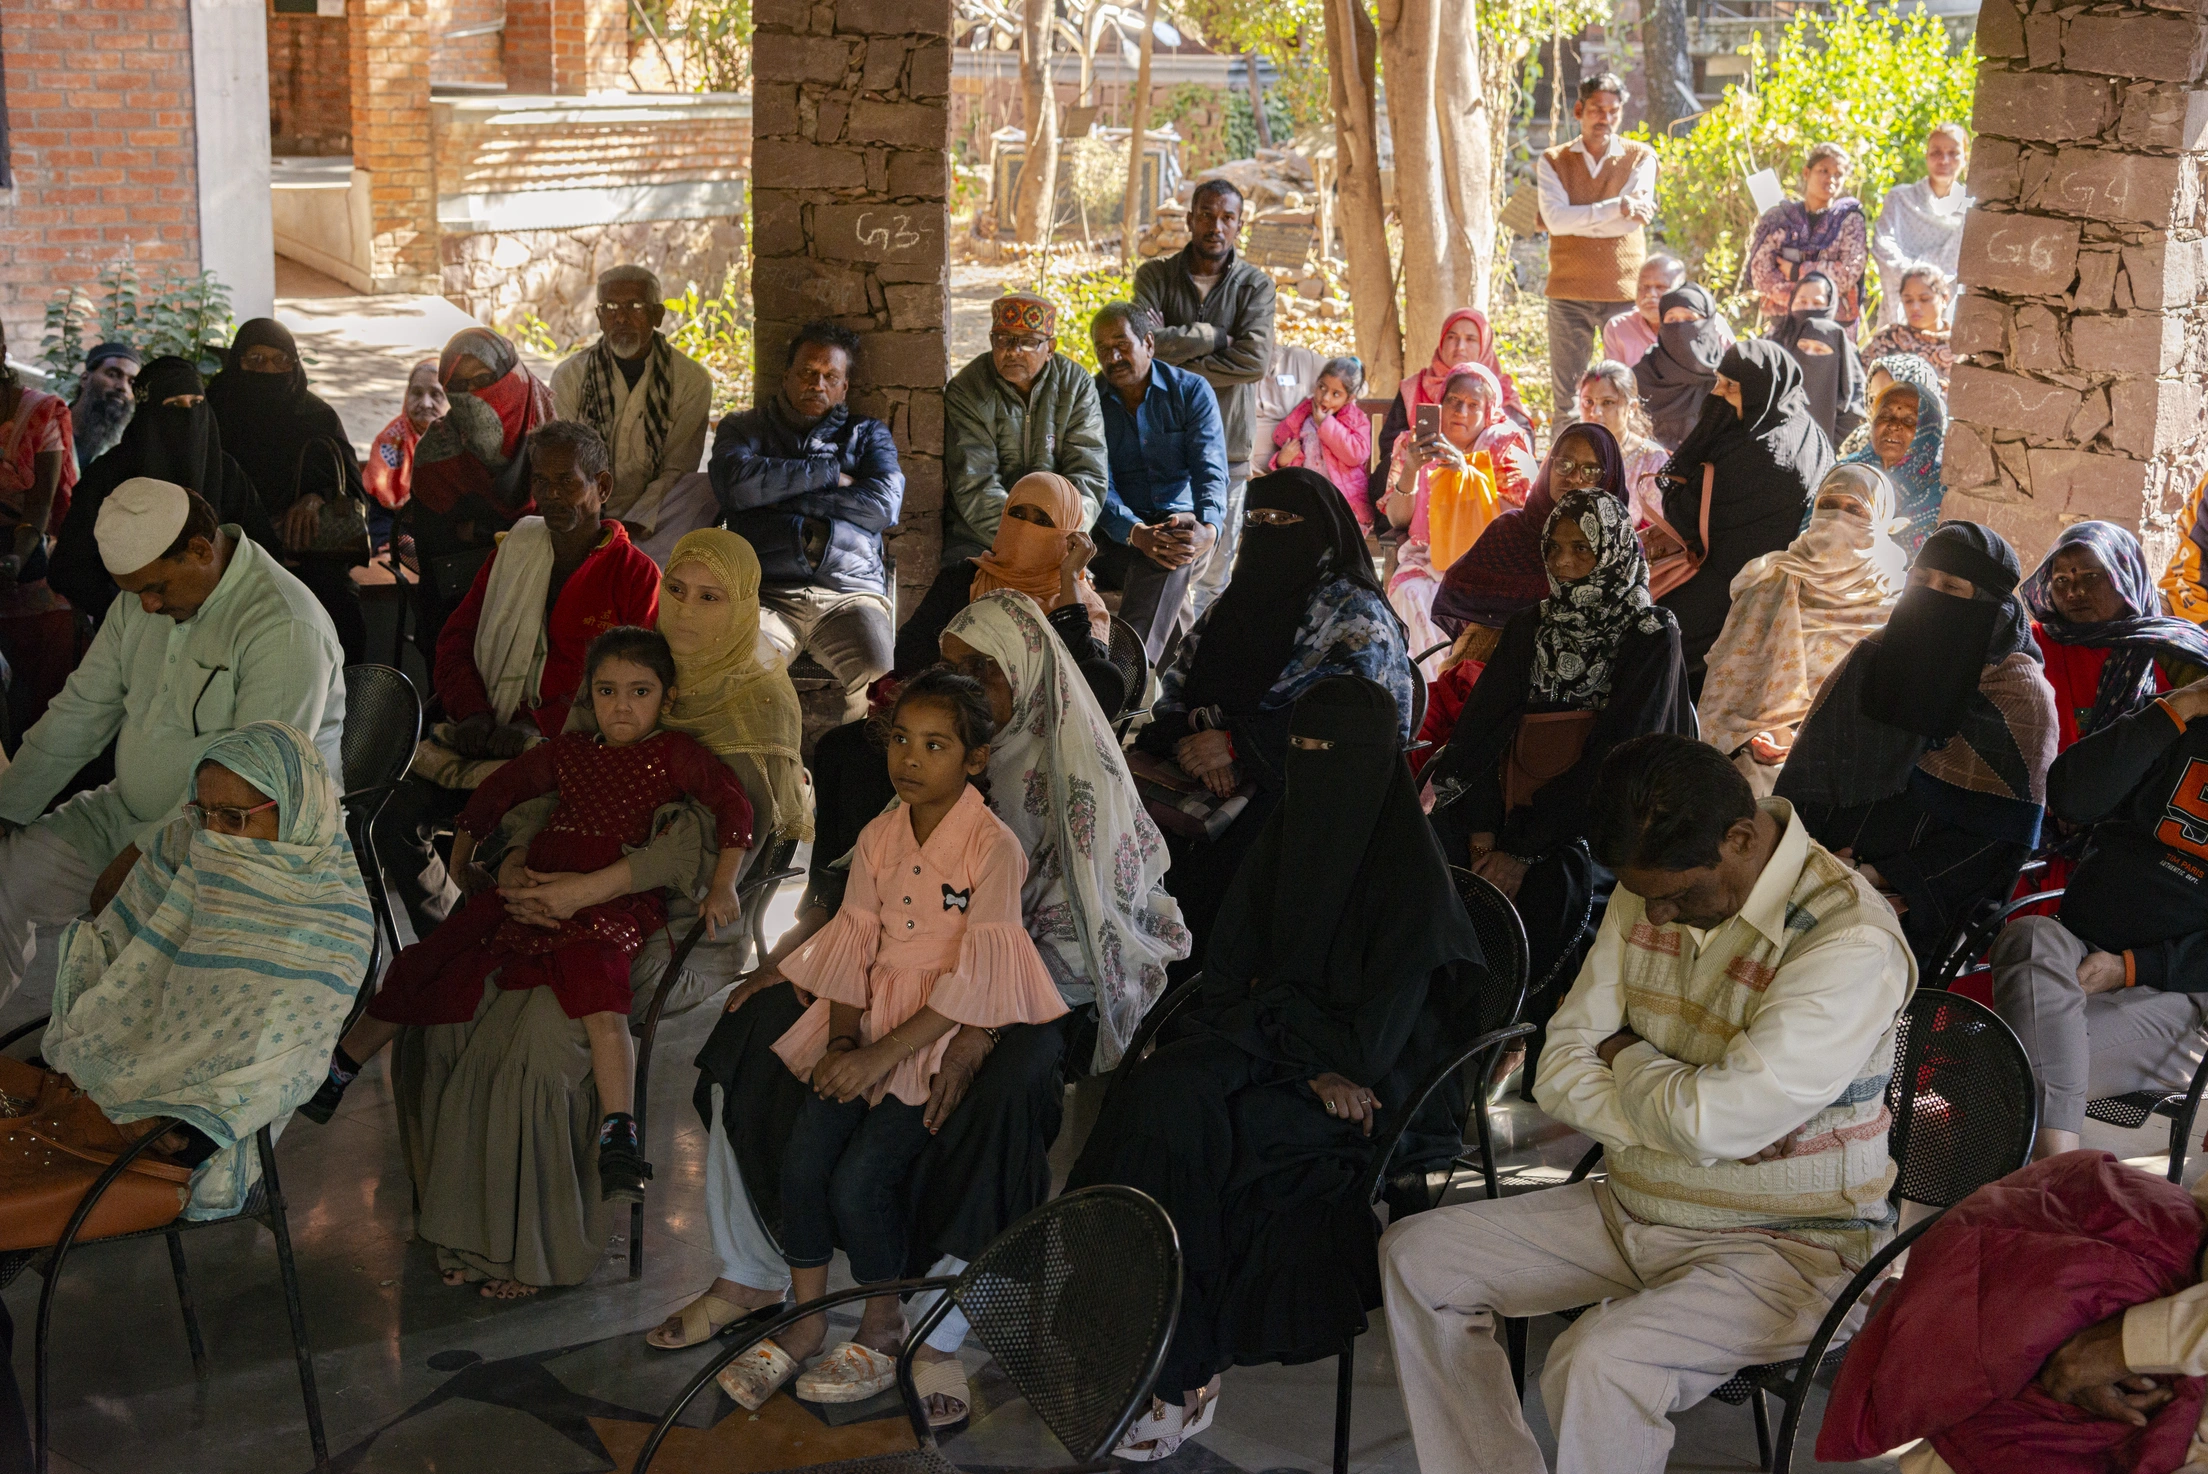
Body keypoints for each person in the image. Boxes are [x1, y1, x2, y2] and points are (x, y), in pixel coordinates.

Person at [657, 593, 1188, 1416]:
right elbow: (866, 910)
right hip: (891, 986)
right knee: (750, 1027)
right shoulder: (914, 780)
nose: (961, 682)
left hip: (1042, 993)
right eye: (951, 664)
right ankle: (755, 1274)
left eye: (986, 673)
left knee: (1006, 1089)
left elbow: (1081, 943)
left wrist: (973, 1029)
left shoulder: (1064, 775)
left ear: (1028, 679)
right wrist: (808, 975)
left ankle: (935, 1326)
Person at [1381, 732, 1914, 1474]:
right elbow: (1562, 1070)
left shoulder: (1846, 939)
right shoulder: (1648, 884)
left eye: (1674, 896)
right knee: (1417, 1259)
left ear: (1739, 837)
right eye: (1643, 896)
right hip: (1635, 1205)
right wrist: (1694, 1121)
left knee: (1599, 1361)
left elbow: (1710, 1119)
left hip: (1790, 1246)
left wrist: (1627, 1051)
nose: (1654, 918)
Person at [1072, 674, 1488, 1461]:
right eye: (1302, 753)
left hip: (1377, 1093)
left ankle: (1183, 1373)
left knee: (1244, 1137)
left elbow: (1370, 1052)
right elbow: (1224, 978)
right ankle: (1112, 1329)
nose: (1315, 771)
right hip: (1284, 1056)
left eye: (1333, 756)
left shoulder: (1409, 888)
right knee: (1160, 1094)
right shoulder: (1283, 842)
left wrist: (1284, 1027)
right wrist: (1296, 1045)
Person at [712, 669, 1067, 1409]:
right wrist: (843, 1045)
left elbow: (978, 977)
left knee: (860, 1179)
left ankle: (881, 1325)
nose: (909, 758)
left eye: (935, 745)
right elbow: (853, 946)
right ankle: (807, 1323)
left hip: (928, 1040)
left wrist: (883, 1054)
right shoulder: (880, 833)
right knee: (806, 1158)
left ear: (974, 760)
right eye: (901, 739)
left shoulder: (992, 849)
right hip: (866, 1022)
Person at [313, 627, 750, 1217]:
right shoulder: (569, 754)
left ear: (666, 699)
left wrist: (724, 882)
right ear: (588, 696)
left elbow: (733, 806)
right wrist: (464, 853)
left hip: (609, 898)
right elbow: (502, 788)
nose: (622, 706)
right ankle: (343, 1065)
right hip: (534, 881)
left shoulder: (675, 756)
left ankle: (619, 1131)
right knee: (432, 956)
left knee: (600, 988)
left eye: (640, 692)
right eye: (607, 691)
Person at [10, 721, 370, 1229]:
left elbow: (272, 1067)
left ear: (294, 813)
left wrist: (159, 1111)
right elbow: (121, 948)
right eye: (203, 814)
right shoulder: (187, 850)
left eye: (234, 818)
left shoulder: (330, 922)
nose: (214, 836)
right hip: (110, 1078)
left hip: (180, 1133)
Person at [0, 480, 344, 1005]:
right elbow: (78, 715)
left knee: (135, 976)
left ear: (201, 551)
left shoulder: (283, 624)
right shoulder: (140, 606)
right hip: (124, 813)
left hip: (236, 845)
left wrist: (144, 855)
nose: (147, 605)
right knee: (6, 876)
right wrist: (7, 809)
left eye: (155, 587)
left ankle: (103, 1076)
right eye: (134, 591)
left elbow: (248, 790)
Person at [373, 420, 662, 940]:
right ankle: (444, 932)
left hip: (568, 756)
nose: (551, 496)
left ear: (603, 487)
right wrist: (475, 711)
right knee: (392, 818)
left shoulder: (635, 575)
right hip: (484, 734)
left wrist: (538, 730)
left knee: (518, 849)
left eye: (567, 482)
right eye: (541, 483)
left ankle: (479, 939)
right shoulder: (514, 552)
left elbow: (630, 692)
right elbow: (454, 643)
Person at [1134, 468, 1416, 961]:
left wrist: (1239, 745)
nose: (1267, 532)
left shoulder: (1353, 615)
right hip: (1197, 777)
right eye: (1256, 520)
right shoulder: (1234, 602)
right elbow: (1177, 681)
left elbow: (1360, 725)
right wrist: (1194, 738)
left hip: (1307, 788)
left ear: (1322, 529)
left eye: (1283, 519)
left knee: (1235, 869)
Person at [1428, 488, 1692, 990]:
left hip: (1592, 814)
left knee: (1558, 890)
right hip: (1506, 804)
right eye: (1555, 548)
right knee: (1437, 868)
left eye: (1582, 548)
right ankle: (1450, 1032)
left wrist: (1524, 848)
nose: (1565, 562)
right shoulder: (1532, 624)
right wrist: (1484, 830)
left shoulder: (1649, 632)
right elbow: (1482, 729)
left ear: (1613, 550)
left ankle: (1528, 1031)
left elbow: (1619, 755)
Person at [1777, 522, 2059, 965]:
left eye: (1951, 587)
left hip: (1918, 901)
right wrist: (1812, 857)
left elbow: (1994, 843)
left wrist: (1877, 875)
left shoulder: (2018, 697)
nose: (1931, 595)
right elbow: (1808, 775)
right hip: (1816, 862)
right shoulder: (1874, 655)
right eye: (1921, 580)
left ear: (1989, 605)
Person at [1983, 665, 2208, 1167]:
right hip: (2076, 948)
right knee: (2028, 934)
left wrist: (2129, 967)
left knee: (1999, 1073)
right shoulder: (2178, 721)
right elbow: (2072, 798)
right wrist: (2180, 707)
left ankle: (2054, 1167)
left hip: (2181, 992)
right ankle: (2056, 1179)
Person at [711, 320, 903, 724]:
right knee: (742, 676)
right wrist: (830, 473)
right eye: (807, 373)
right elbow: (736, 488)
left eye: (830, 376)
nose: (817, 384)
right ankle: (775, 777)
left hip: (849, 592)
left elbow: (882, 507)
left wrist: (781, 490)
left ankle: (853, 772)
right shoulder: (744, 428)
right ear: (786, 376)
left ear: (844, 386)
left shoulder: (868, 435)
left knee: (880, 681)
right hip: (767, 592)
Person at [1697, 464, 1906, 796]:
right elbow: (1726, 692)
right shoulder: (1770, 582)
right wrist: (1755, 737)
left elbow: (1886, 720)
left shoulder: (1894, 606)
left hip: (1837, 769)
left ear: (1880, 521)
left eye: (1855, 509)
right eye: (1828, 506)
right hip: (1748, 757)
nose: (1838, 520)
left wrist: (1804, 743)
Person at [1133, 178, 1277, 624]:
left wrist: (1174, 362)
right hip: (1165, 448)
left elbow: (1254, 360)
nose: (1216, 225)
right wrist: (1215, 336)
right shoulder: (1155, 275)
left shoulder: (1255, 286)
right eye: (1207, 215)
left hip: (1228, 450)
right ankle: (1160, 673)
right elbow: (1141, 346)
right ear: (1191, 218)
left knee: (1214, 574)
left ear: (1239, 224)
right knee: (1169, 565)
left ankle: (1196, 671)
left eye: (1227, 217)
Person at [1652, 339, 1835, 677]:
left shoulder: (1752, 452)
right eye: (1718, 380)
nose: (1717, 393)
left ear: (1760, 390)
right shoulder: (1808, 430)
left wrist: (1707, 435)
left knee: (1656, 633)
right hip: (1776, 584)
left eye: (1730, 385)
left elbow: (1682, 516)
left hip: (1732, 588)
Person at [50, 356, 276, 619]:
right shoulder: (109, 475)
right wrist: (131, 612)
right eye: (174, 405)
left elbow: (261, 551)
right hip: (137, 622)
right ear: (150, 412)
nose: (187, 414)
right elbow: (70, 567)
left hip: (223, 621)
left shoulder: (225, 472)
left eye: (196, 404)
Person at [204, 317, 373, 664]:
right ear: (237, 361)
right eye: (255, 360)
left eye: (281, 361)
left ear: (294, 365)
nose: (268, 371)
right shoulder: (214, 413)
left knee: (339, 622)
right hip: (233, 563)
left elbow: (356, 494)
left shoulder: (317, 417)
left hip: (313, 562)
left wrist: (319, 497)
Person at [893, 471, 1121, 713]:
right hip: (955, 716)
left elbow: (1087, 685)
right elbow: (910, 650)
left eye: (1043, 521)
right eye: (1017, 514)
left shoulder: (1082, 603)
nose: (1025, 528)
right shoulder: (964, 577)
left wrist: (1069, 578)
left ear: (1068, 534)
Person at [1087, 302, 1229, 665]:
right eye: (1103, 349)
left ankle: (1117, 677)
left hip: (1183, 530)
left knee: (1174, 541)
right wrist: (1135, 532)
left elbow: (1210, 469)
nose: (1113, 356)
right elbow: (1096, 479)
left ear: (1148, 343)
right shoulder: (1090, 400)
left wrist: (1209, 529)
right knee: (1163, 568)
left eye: (1122, 344)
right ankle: (1183, 690)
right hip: (1116, 538)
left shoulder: (1191, 392)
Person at [407, 327, 556, 663]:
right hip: (461, 609)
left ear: (511, 376)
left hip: (548, 602)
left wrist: (481, 531)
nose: (473, 394)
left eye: (484, 379)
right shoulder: (436, 452)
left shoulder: (557, 439)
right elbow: (436, 549)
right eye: (459, 386)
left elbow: (577, 528)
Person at [551, 265, 716, 557]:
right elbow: (567, 463)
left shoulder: (691, 379)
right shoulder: (571, 376)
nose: (622, 318)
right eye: (611, 307)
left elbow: (678, 467)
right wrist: (593, 520)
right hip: (588, 512)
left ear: (658, 315)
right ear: (600, 317)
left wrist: (634, 522)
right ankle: (613, 555)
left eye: (635, 306)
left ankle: (639, 563)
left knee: (703, 489)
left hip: (656, 516)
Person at [1384, 364, 1535, 678]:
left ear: (1488, 409)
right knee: (1409, 592)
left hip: (1490, 560)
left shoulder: (1508, 443)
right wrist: (1411, 469)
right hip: (1427, 559)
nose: (1461, 411)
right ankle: (1426, 691)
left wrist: (1466, 474)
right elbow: (1397, 517)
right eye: (1453, 400)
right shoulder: (1415, 443)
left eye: (1473, 404)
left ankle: (1459, 691)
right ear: (1440, 403)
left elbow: (1523, 515)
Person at [941, 293, 1109, 563]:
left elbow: (1088, 476)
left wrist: (1057, 538)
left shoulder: (1076, 385)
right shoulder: (969, 388)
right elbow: (976, 485)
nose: (1013, 351)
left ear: (1050, 348)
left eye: (1028, 342)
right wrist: (1025, 543)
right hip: (982, 537)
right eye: (1003, 339)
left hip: (1060, 538)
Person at [1431, 423, 1633, 640]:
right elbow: (1461, 595)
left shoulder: (1619, 545)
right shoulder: (1509, 532)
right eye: (1564, 464)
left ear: (1610, 479)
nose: (1574, 477)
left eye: (1591, 471)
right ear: (1549, 467)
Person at [2023, 521, 2208, 756]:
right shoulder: (2034, 644)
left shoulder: (2174, 647)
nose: (2073, 592)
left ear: (2127, 577)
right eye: (2061, 580)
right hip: (2050, 790)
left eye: (2091, 576)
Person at [1537, 72, 1659, 424]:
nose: (1605, 118)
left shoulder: (1640, 158)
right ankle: (1565, 475)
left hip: (1623, 293)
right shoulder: (1554, 161)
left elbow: (1632, 220)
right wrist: (1616, 207)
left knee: (1627, 394)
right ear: (1579, 110)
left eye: (1613, 111)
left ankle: (1626, 470)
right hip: (1567, 293)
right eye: (1596, 109)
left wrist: (1582, 216)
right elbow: (1555, 221)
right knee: (1569, 401)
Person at [1373, 308, 1528, 513]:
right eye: (1452, 337)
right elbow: (1390, 445)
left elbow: (1519, 506)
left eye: (1470, 339)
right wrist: (1416, 461)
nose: (1459, 346)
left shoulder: (1498, 393)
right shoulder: (1414, 386)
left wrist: (1468, 466)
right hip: (1416, 491)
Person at [1748, 143, 1871, 331]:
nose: (1831, 179)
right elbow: (1761, 272)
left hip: (1835, 326)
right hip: (1784, 322)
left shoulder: (1848, 219)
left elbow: (1848, 272)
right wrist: (1803, 301)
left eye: (1838, 174)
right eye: (1824, 170)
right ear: (1806, 172)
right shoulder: (1781, 219)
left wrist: (1798, 271)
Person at [1871, 123, 1971, 330]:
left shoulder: (1971, 208)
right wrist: (1914, 282)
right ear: (1926, 156)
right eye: (1936, 152)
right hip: (1901, 297)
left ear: (1965, 158)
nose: (1944, 160)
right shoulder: (1900, 199)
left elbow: (1958, 258)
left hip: (1949, 304)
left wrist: (1931, 286)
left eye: (1953, 153)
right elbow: (1883, 244)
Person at [1840, 372, 1948, 558]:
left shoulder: (1940, 492)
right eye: (1885, 415)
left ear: (1928, 428)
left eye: (1908, 420)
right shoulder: (1844, 474)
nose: (1893, 425)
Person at [0, 321, 77, 578]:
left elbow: (39, 505)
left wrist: (16, 559)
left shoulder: (39, 415)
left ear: (1, 354)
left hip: (19, 540)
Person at [1265, 356, 1372, 531]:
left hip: (1344, 503)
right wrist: (1282, 461)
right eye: (1322, 387)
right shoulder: (1303, 417)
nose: (1325, 398)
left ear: (1349, 398)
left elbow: (1356, 455)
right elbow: (1296, 456)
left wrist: (1325, 424)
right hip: (1308, 499)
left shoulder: (1356, 420)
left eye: (1336, 394)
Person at [1632, 283, 1735, 451]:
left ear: (1708, 323)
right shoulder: (1641, 377)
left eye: (1690, 319)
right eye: (1672, 319)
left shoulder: (1730, 378)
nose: (1680, 328)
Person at [1768, 272, 1866, 448]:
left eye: (1818, 303)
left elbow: (1854, 408)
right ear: (1792, 303)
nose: (1809, 309)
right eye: (1803, 302)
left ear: (1831, 306)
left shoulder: (1843, 347)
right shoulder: (1773, 343)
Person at [1575, 359, 1666, 522]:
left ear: (1632, 407)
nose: (1595, 412)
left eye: (1607, 402)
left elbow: (1658, 530)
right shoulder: (1566, 449)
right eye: (1588, 402)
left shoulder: (1651, 460)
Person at [365, 359, 451, 510]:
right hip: (391, 519)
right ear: (407, 395)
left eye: (436, 394)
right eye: (416, 393)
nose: (425, 403)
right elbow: (377, 505)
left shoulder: (462, 440)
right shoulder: (389, 440)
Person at [1862, 265, 1956, 389]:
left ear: (1944, 298)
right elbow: (1861, 384)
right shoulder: (1887, 340)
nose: (1915, 307)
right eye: (1908, 300)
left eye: (1924, 299)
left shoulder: (1958, 347)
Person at [1600, 254, 1686, 370]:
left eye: (1661, 287)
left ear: (1681, 290)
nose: (1650, 294)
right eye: (1644, 287)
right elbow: (1615, 383)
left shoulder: (1705, 325)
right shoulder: (1618, 328)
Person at [69, 341, 139, 469]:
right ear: (85, 379)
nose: (123, 387)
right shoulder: (49, 428)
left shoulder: (128, 448)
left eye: (131, 383)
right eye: (112, 375)